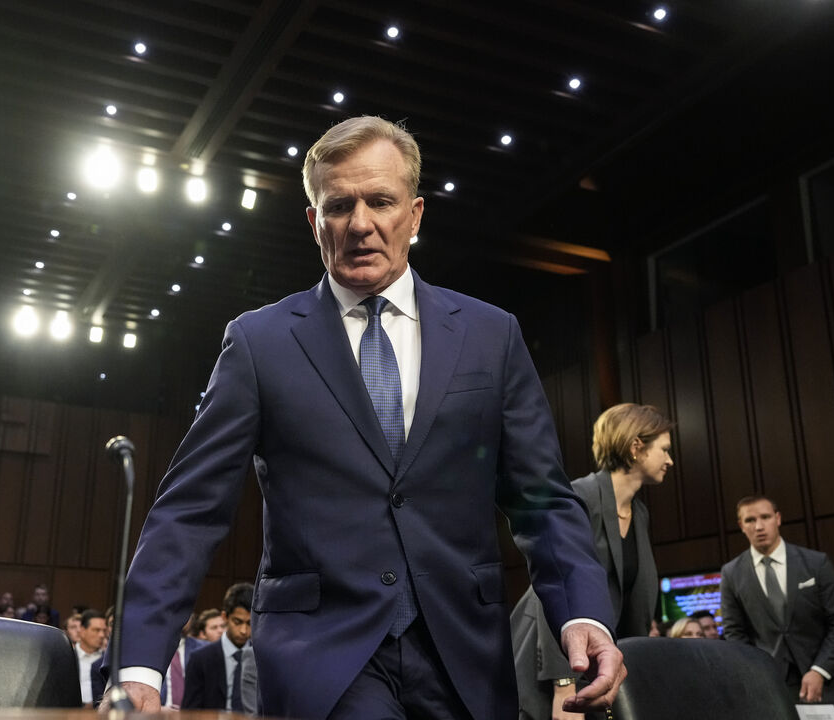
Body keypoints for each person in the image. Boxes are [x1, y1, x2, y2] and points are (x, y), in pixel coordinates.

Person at [111, 116, 623, 720]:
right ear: (314, 222)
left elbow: (542, 499)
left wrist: (583, 614)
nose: (360, 224)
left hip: (465, 657)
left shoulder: (492, 336)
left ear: (416, 214)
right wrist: (140, 664)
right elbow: (190, 510)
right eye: (338, 206)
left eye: (380, 201)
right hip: (321, 660)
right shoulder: (259, 343)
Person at [512, 403, 673, 720]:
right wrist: (564, 684)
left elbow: (633, 601)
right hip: (549, 665)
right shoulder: (579, 496)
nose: (670, 460)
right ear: (636, 447)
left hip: (593, 665)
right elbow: (555, 586)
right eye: (665, 449)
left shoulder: (639, 513)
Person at [719, 496, 834, 703]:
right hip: (771, 686)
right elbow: (734, 633)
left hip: (829, 680)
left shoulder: (816, 563)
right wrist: (757, 673)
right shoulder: (731, 573)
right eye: (750, 520)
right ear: (741, 526)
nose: (759, 526)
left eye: (765, 517)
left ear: (778, 518)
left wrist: (820, 669)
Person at [180, 583, 253, 711]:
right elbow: (190, 711)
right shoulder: (201, 659)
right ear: (225, 617)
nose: (243, 630)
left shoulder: (262, 658)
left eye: (250, 623)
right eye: (237, 622)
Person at [75, 610, 108, 706]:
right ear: (82, 631)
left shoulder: (107, 661)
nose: (102, 635)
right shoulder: (67, 657)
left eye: (104, 631)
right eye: (96, 630)